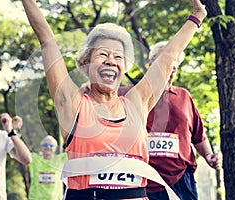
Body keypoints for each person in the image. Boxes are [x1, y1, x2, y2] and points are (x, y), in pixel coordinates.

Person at [22, 0, 207, 199]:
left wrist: (196, 17)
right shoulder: (73, 104)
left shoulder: (137, 103)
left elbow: (169, 56)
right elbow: (47, 39)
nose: (111, 60)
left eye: (118, 57)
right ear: (86, 64)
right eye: (103, 54)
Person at [120, 41, 222, 200]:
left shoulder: (184, 96)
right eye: (163, 64)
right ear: (150, 65)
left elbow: (198, 136)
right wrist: (88, 87)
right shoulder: (130, 94)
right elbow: (101, 95)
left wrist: (209, 155)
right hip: (142, 181)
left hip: (181, 180)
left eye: (173, 65)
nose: (169, 69)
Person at [27, 135, 67, 200]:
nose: (48, 147)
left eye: (51, 145)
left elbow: (75, 149)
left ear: (55, 148)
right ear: (41, 147)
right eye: (45, 145)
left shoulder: (61, 159)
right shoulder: (34, 158)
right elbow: (23, 153)